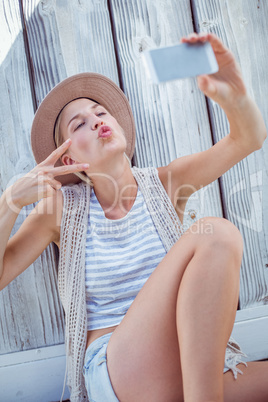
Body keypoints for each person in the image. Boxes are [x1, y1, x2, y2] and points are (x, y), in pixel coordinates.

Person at [0, 32, 267, 402]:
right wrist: (10, 201)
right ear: (68, 160)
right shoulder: (63, 210)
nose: (94, 120)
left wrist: (236, 98)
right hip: (118, 370)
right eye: (78, 124)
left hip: (185, 360)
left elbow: (248, 139)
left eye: (100, 112)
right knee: (216, 233)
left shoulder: (166, 184)